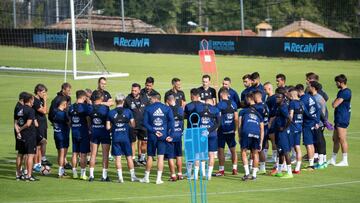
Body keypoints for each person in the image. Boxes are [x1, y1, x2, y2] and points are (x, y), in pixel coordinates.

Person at [140, 93, 174, 184]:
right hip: (163, 136)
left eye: (151, 99)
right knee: (160, 157)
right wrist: (169, 134)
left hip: (152, 136)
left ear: (155, 99)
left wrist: (154, 130)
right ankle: (158, 179)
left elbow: (145, 123)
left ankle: (146, 178)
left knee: (150, 156)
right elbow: (171, 122)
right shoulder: (167, 108)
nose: (150, 100)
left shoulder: (148, 108)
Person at [106, 93, 139, 183]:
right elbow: (133, 124)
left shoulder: (111, 112)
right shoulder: (128, 112)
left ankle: (120, 178)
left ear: (116, 101)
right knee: (129, 157)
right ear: (123, 101)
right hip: (126, 138)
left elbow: (108, 127)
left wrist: (115, 126)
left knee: (118, 158)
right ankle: (133, 177)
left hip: (116, 138)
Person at [239, 93, 264, 181]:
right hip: (256, 133)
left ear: (249, 100)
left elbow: (239, 125)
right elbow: (262, 129)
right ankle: (254, 175)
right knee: (255, 153)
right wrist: (261, 142)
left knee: (243, 151)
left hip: (246, 132)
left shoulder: (243, 112)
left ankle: (246, 173)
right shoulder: (258, 114)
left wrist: (239, 136)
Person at [124, 83, 150, 166]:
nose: (133, 92)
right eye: (132, 90)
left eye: (135, 90)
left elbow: (148, 109)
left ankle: (142, 158)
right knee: (132, 142)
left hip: (143, 124)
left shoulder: (145, 98)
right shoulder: (128, 99)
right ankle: (133, 159)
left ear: (139, 90)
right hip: (132, 125)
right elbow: (124, 111)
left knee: (144, 142)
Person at [214, 88, 238, 176]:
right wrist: (235, 129)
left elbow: (217, 117)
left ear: (221, 95)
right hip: (231, 130)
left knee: (221, 150)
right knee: (233, 150)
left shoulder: (220, 105)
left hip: (222, 130)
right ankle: (234, 169)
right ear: (228, 95)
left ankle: (221, 170)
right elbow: (236, 118)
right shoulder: (233, 104)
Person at [14, 93, 38, 181]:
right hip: (29, 135)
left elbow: (15, 123)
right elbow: (28, 124)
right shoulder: (31, 110)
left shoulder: (19, 109)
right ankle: (29, 175)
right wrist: (21, 129)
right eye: (33, 100)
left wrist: (18, 132)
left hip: (21, 136)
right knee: (30, 155)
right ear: (30, 100)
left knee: (20, 154)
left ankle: (18, 174)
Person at [88, 91, 111, 182]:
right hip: (104, 132)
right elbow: (108, 120)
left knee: (93, 154)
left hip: (94, 131)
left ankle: (91, 175)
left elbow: (88, 119)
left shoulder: (90, 108)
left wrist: (91, 127)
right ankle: (104, 176)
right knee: (105, 155)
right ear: (101, 98)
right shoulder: (105, 108)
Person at [329, 74, 351, 167]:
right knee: (335, 139)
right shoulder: (341, 91)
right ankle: (333, 159)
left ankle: (345, 160)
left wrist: (334, 102)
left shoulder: (345, 92)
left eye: (337, 82)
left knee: (342, 139)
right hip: (338, 117)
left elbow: (335, 104)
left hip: (342, 118)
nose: (336, 84)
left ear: (341, 82)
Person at [68, 90, 91, 180]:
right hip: (83, 132)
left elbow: (69, 120)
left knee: (74, 153)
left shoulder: (71, 107)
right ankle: (82, 174)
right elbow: (89, 117)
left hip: (74, 132)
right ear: (84, 97)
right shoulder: (85, 107)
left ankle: (74, 173)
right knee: (83, 154)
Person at [296, 84, 320, 171]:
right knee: (311, 143)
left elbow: (304, 112)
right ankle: (312, 163)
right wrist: (316, 121)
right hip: (313, 122)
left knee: (308, 143)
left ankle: (311, 165)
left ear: (298, 91)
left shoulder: (302, 100)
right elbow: (318, 109)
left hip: (307, 123)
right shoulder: (310, 97)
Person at [48, 82, 72, 168]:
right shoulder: (57, 100)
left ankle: (63, 164)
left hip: (65, 126)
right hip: (62, 127)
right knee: (61, 150)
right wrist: (54, 122)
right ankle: (62, 168)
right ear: (63, 90)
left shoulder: (68, 98)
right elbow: (51, 114)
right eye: (68, 90)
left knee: (63, 149)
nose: (69, 92)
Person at [271, 90, 293, 179]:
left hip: (282, 133)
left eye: (279, 97)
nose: (277, 98)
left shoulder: (283, 107)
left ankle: (289, 172)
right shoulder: (278, 106)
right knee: (280, 152)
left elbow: (289, 118)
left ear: (283, 98)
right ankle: (279, 171)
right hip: (278, 131)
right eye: (276, 97)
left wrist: (284, 127)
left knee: (286, 151)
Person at [198, 98, 220, 180]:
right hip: (212, 134)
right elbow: (218, 123)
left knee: (202, 153)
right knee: (211, 154)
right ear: (212, 102)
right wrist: (210, 130)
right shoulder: (215, 109)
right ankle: (209, 174)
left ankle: (202, 173)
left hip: (202, 133)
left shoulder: (199, 108)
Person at [308, 81, 328, 169]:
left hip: (318, 123)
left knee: (319, 141)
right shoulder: (318, 97)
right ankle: (323, 160)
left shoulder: (316, 98)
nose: (308, 87)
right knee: (321, 141)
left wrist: (321, 122)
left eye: (309, 86)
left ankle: (321, 162)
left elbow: (320, 112)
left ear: (313, 87)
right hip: (320, 122)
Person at [166, 94, 185, 181]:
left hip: (170, 136)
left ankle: (173, 175)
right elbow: (182, 122)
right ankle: (180, 174)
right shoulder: (180, 109)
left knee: (170, 156)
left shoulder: (167, 110)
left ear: (168, 101)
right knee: (179, 155)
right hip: (178, 135)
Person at [52, 97, 70, 178]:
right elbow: (69, 123)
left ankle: (62, 171)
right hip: (63, 135)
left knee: (60, 154)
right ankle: (60, 173)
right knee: (63, 154)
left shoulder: (55, 112)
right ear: (63, 104)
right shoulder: (62, 114)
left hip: (56, 134)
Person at [288, 87, 304, 174]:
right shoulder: (301, 103)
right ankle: (297, 167)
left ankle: (285, 166)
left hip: (292, 127)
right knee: (297, 146)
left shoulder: (292, 103)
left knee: (288, 147)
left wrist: (286, 125)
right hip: (299, 127)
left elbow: (290, 115)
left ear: (292, 95)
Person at [253, 90, 269, 175]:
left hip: (260, 129)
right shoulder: (265, 105)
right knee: (261, 148)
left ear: (257, 97)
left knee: (259, 149)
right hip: (266, 128)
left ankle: (261, 167)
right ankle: (261, 166)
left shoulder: (257, 107)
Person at [32, 84, 48, 173]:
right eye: (43, 92)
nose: (45, 94)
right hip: (38, 126)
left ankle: (39, 163)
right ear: (38, 92)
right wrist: (45, 101)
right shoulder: (36, 101)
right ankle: (36, 164)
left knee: (41, 143)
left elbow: (46, 110)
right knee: (38, 144)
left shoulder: (40, 100)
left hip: (43, 124)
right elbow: (44, 111)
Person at [14, 92, 27, 180]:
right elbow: (18, 122)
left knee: (21, 153)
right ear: (23, 100)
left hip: (19, 131)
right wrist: (19, 132)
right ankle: (20, 172)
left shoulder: (19, 106)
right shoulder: (19, 108)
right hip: (21, 132)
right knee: (22, 153)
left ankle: (19, 172)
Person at [264, 82, 277, 163]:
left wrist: (271, 122)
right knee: (265, 139)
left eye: (265, 89)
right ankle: (264, 156)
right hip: (266, 121)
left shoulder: (273, 98)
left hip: (271, 123)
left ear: (269, 89)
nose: (264, 91)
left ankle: (274, 157)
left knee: (273, 140)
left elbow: (274, 112)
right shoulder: (268, 97)